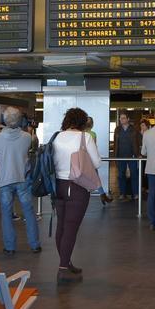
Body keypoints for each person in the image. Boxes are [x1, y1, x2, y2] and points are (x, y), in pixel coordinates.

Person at [51, 107, 102, 283]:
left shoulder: (56, 137)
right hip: (77, 186)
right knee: (71, 228)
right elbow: (97, 163)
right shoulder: (85, 138)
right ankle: (63, 269)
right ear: (82, 122)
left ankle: (66, 262)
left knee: (61, 226)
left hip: (58, 185)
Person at [0, 107, 41, 255]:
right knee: (29, 211)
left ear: (4, 120)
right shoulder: (26, 137)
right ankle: (35, 245)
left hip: (5, 179)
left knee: (6, 213)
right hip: (22, 178)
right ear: (19, 119)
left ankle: (10, 247)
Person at [113, 112, 141, 201]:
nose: (121, 120)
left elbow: (138, 142)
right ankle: (122, 193)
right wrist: (115, 156)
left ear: (128, 119)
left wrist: (138, 154)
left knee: (134, 175)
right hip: (120, 156)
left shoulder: (134, 129)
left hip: (132, 156)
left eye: (123, 118)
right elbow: (115, 144)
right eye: (120, 118)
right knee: (121, 175)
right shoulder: (117, 129)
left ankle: (135, 193)